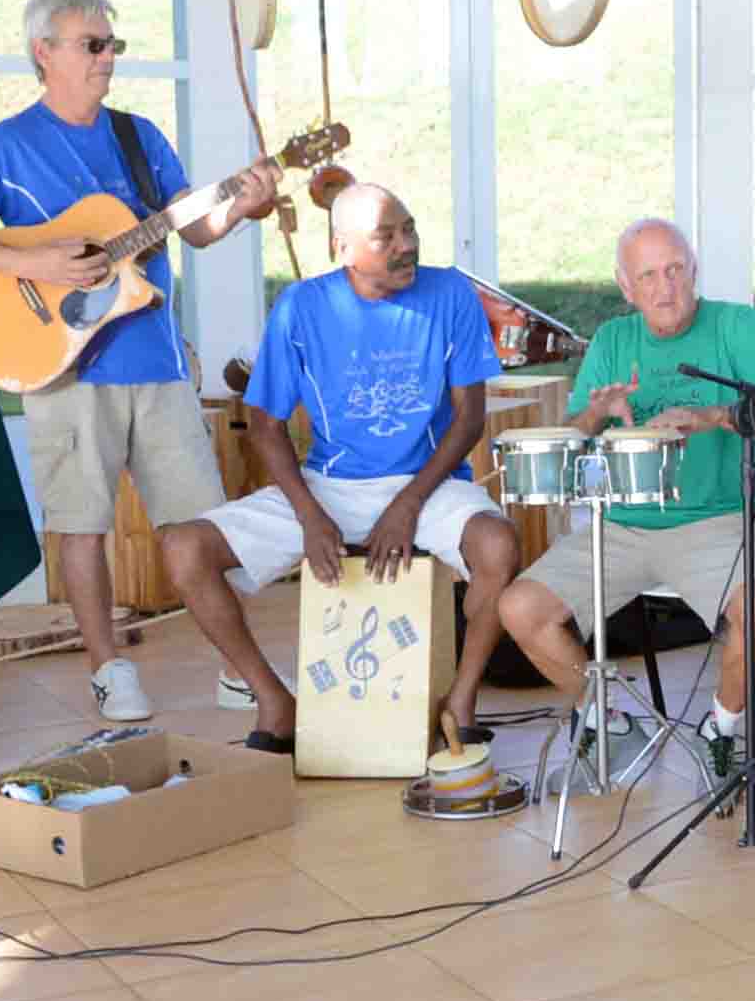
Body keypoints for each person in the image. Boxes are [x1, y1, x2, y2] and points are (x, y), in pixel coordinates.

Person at [0, 0, 279, 723]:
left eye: (113, 45)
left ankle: (240, 671)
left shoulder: (140, 139)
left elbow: (193, 229)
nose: (108, 57)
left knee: (201, 527)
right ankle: (109, 670)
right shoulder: (5, 147)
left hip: (158, 363)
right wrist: (34, 263)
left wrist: (243, 206)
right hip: (64, 366)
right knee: (82, 526)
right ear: (44, 53)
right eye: (93, 45)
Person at [159, 185, 518, 752]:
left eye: (410, 229)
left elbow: (470, 418)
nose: (406, 245)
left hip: (428, 485)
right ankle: (275, 704)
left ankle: (461, 700)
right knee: (184, 550)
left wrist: (408, 503)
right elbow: (266, 425)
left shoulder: (450, 292)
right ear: (342, 248)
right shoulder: (300, 306)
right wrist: (309, 516)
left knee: (498, 547)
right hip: (329, 486)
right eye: (385, 236)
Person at [494, 221, 755, 781]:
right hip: (620, 526)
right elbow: (573, 433)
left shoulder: (735, 325)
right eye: (649, 276)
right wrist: (597, 411)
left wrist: (714, 416)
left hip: (716, 521)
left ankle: (721, 729)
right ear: (626, 286)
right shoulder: (613, 339)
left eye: (676, 270)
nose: (666, 287)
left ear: (693, 270)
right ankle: (605, 719)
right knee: (519, 608)